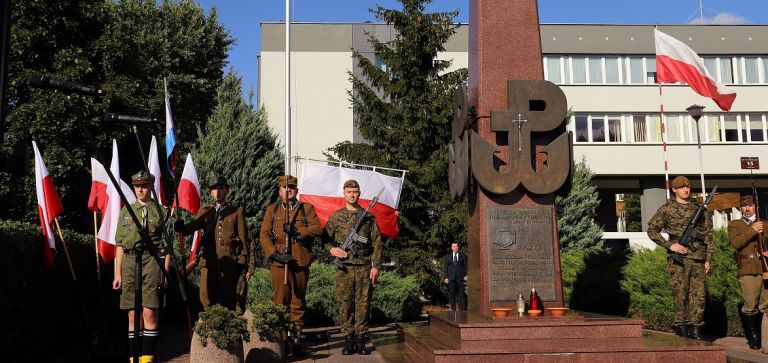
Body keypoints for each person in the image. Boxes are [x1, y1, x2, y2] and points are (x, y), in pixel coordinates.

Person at [258, 175, 322, 354]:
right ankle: (282, 341)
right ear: (279, 191)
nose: (288, 190)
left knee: (298, 302)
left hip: (299, 260)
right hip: (280, 262)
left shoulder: (306, 209)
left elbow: (317, 229)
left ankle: (296, 340)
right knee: (280, 302)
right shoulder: (273, 210)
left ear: (296, 190)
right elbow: (263, 234)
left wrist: (297, 231)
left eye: (291, 187)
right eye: (285, 188)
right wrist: (274, 254)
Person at [113, 171, 171, 363]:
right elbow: (120, 245)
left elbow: (166, 248)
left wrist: (165, 274)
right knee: (133, 314)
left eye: (144, 185)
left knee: (149, 311)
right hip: (130, 263)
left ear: (151, 187)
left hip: (152, 262)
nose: (140, 189)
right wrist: (117, 274)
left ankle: (147, 359)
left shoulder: (162, 212)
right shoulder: (126, 211)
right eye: (137, 186)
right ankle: (133, 359)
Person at [174, 175, 254, 314]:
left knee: (229, 302)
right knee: (206, 300)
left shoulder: (236, 213)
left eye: (221, 188)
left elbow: (243, 241)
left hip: (228, 264)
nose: (217, 192)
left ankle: (228, 332)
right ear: (211, 192)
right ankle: (208, 332)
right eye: (214, 189)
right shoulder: (206, 212)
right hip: (208, 262)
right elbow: (190, 228)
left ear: (227, 190)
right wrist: (181, 227)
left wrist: (242, 265)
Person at [647, 175, 712, 340]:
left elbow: (709, 235)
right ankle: (682, 328)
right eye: (682, 187)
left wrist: (708, 258)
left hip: (698, 258)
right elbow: (652, 230)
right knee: (680, 294)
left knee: (699, 296)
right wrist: (671, 246)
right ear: (674, 189)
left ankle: (696, 329)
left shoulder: (699, 209)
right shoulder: (667, 209)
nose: (686, 189)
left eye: (688, 186)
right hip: (678, 260)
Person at [324, 179, 382, 355]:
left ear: (359, 193)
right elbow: (324, 239)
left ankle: (361, 340)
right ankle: (348, 340)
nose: (352, 194)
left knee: (363, 305)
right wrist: (332, 249)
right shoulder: (336, 216)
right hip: (344, 269)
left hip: (364, 267)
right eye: (349, 191)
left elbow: (377, 242)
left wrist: (376, 266)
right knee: (345, 305)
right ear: (344, 193)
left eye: (355, 191)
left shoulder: (368, 217)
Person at [728, 195, 768, 352]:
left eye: (750, 205)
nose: (747, 208)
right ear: (740, 209)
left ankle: (764, 340)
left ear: (756, 207)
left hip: (764, 267)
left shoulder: (765, 224)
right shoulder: (735, 225)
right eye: (744, 206)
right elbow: (736, 243)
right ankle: (753, 337)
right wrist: (753, 229)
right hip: (747, 268)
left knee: (766, 305)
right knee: (750, 305)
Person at [443, 242, 468, 311]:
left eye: (456, 246)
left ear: (458, 247)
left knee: (462, 295)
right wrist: (445, 277)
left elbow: (466, 267)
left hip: (461, 278)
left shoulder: (463, 256)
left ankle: (463, 311)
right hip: (451, 278)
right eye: (454, 246)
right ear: (451, 248)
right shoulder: (447, 257)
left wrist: (466, 275)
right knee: (452, 295)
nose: (455, 248)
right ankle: (453, 311)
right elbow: (445, 268)